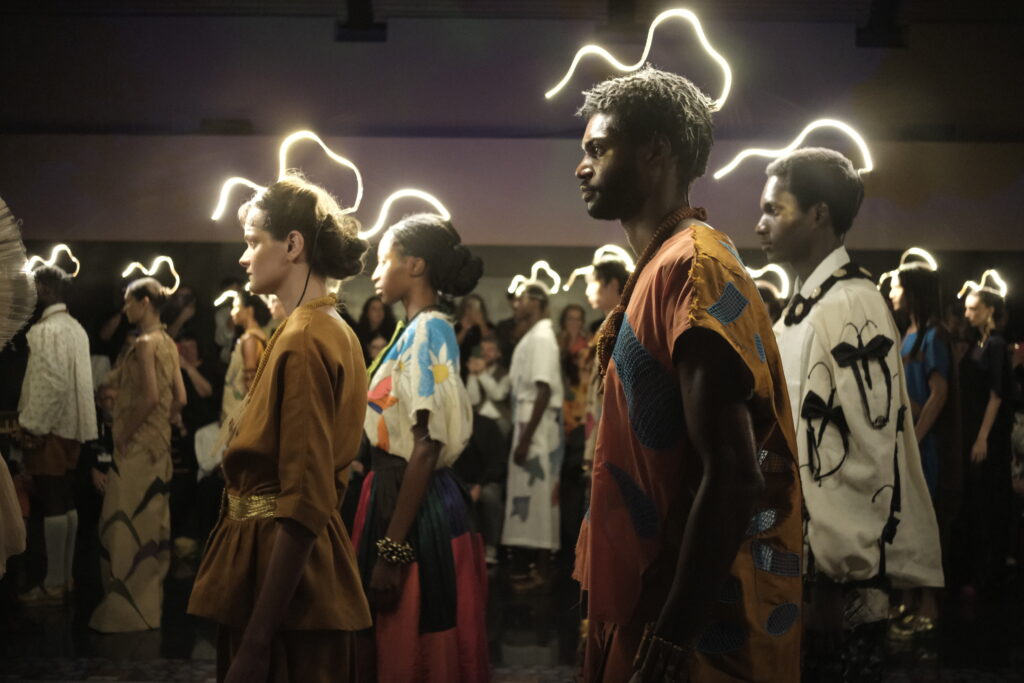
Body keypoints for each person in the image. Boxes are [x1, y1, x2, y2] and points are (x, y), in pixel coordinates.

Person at [570, 66, 802, 683]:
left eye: (598, 149)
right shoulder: (662, 264)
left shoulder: (695, 267)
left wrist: (672, 634)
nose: (581, 168)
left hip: (693, 628)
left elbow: (734, 475)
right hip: (651, 595)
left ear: (655, 151)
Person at [761, 148, 943, 680]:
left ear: (818, 213)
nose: (760, 223)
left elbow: (864, 453)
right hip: (801, 556)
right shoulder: (808, 305)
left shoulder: (851, 303)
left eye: (774, 209)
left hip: (835, 575)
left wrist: (836, 574)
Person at [188, 174, 371, 681]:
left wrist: (256, 640)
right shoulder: (322, 328)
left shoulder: (305, 337)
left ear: (292, 245)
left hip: (285, 580)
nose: (244, 257)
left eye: (253, 242)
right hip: (283, 569)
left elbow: (304, 496)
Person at [356, 212, 490, 682]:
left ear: (415, 265)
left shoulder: (429, 330)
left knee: (412, 635)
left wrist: (393, 548)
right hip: (397, 490)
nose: (375, 271)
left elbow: (427, 445)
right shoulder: (414, 329)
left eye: (384, 259)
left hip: (412, 499)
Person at [90, 276, 186, 632]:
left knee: (122, 528)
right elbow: (180, 398)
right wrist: (163, 424)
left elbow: (149, 396)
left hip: (135, 448)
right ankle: (147, 610)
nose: (124, 308)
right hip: (158, 448)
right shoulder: (168, 342)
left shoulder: (146, 343)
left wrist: (125, 433)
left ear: (145, 303)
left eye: (128, 301)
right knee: (149, 528)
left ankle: (125, 614)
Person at [16, 265, 98, 605]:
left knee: (52, 502)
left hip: (50, 426)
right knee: (65, 500)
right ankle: (65, 579)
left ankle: (53, 583)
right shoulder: (76, 328)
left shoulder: (45, 330)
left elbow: (49, 383)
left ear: (46, 290)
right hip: (75, 427)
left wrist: (31, 424)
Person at [887, 263, 959, 637]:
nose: (892, 292)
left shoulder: (933, 335)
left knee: (926, 522)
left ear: (914, 292)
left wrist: (914, 438)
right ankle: (908, 600)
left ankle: (929, 604)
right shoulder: (910, 333)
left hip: (926, 446)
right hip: (910, 440)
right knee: (907, 522)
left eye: (898, 287)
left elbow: (939, 395)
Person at [502, 283, 564, 590]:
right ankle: (533, 566)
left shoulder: (541, 337)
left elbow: (544, 389)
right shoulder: (535, 335)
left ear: (537, 301)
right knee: (532, 495)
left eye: (524, 297)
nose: (518, 303)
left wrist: (526, 439)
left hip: (535, 425)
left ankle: (541, 568)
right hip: (529, 421)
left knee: (538, 496)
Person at [958, 285, 1014, 593]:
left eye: (973, 309)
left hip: (990, 435)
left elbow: (997, 394)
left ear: (990, 310)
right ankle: (981, 572)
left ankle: (990, 575)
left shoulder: (995, 344)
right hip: (978, 429)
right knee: (979, 501)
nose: (967, 314)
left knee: (989, 500)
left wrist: (982, 437)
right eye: (966, 308)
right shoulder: (980, 342)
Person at [461, 335, 511, 565]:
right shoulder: (474, 372)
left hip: (498, 426)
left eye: (491, 350)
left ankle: (491, 545)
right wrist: (473, 375)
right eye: (484, 349)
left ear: (498, 353)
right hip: (479, 427)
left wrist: (480, 373)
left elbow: (498, 394)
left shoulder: (504, 374)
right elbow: (472, 400)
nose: (486, 354)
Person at [582, 260, 628, 473]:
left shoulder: (619, 322)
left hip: (609, 416)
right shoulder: (610, 322)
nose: (588, 290)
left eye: (594, 283)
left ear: (613, 284)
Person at [220, 291, 270, 424]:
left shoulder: (249, 340)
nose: (232, 312)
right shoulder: (258, 336)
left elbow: (250, 382)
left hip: (239, 418)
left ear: (249, 310)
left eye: (236, 307)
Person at [455, 293, 495, 379]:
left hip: (483, 367)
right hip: (461, 367)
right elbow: (453, 345)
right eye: (470, 307)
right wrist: (464, 329)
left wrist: (481, 323)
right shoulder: (456, 326)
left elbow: (491, 342)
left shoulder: (487, 326)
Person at [355, 295, 397, 364]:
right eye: (374, 309)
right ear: (367, 312)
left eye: (381, 308)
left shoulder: (393, 333)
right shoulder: (359, 334)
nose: (378, 312)